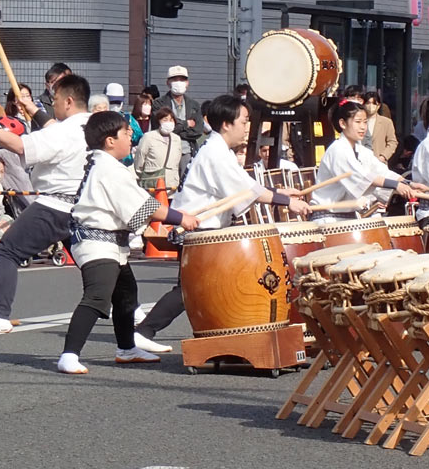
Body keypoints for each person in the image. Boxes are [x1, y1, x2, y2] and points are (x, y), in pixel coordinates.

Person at [133, 95, 311, 352]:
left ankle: (213, 336)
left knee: (200, 289)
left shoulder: (219, 150)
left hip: (204, 229)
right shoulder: (215, 153)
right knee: (189, 290)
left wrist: (280, 192)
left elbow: (247, 187)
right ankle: (143, 331)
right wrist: (285, 201)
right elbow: (245, 191)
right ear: (226, 124)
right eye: (244, 121)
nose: (247, 127)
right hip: (197, 228)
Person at [56, 111, 200, 374]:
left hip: (109, 242)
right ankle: (69, 354)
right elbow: (144, 207)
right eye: (126, 133)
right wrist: (182, 218)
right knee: (97, 297)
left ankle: (126, 348)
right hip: (95, 242)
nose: (131, 136)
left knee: (126, 295)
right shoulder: (109, 169)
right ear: (110, 140)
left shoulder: (105, 165)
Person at [0, 74, 91, 333]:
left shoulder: (64, 132)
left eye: (54, 100)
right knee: (93, 262)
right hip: (83, 206)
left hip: (55, 206)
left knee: (6, 251)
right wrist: (31, 109)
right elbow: (52, 128)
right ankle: (128, 308)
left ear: (67, 101)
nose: (51, 105)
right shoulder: (92, 125)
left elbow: (19, 145)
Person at [311, 100, 416, 221]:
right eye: (358, 122)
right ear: (343, 123)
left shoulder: (362, 151)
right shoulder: (337, 150)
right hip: (328, 219)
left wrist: (409, 183)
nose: (362, 127)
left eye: (365, 122)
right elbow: (363, 178)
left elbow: (381, 171)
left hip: (347, 219)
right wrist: (396, 185)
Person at [155, 66, 202, 180]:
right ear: (168, 82)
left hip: (187, 151)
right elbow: (160, 127)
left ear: (187, 83)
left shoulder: (194, 105)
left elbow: (198, 131)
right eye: (175, 79)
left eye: (182, 79)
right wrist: (186, 124)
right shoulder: (159, 104)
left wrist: (174, 128)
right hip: (165, 150)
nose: (178, 83)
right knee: (166, 185)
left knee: (186, 184)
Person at [133, 107, 183, 191]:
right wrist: (142, 174)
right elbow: (140, 158)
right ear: (159, 121)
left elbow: (177, 161)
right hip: (152, 184)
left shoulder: (177, 139)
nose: (168, 122)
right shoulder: (148, 137)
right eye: (165, 119)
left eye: (171, 120)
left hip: (171, 185)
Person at [362, 90, 398, 164]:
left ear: (378, 105)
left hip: (379, 162)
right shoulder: (359, 121)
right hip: (362, 163)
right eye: (368, 103)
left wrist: (383, 156)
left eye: (374, 103)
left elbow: (392, 142)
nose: (371, 106)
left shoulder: (386, 122)